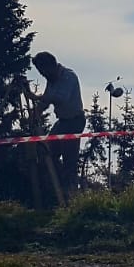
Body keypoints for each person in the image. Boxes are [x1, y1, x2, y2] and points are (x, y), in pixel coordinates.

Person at [30, 51, 85, 196]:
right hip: (62, 122)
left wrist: (35, 97)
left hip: (74, 121)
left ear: (51, 66)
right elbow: (47, 101)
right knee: (46, 151)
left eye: (43, 71)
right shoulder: (52, 79)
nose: (42, 75)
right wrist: (36, 112)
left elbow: (60, 98)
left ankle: (71, 195)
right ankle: (54, 189)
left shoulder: (68, 77)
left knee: (69, 159)